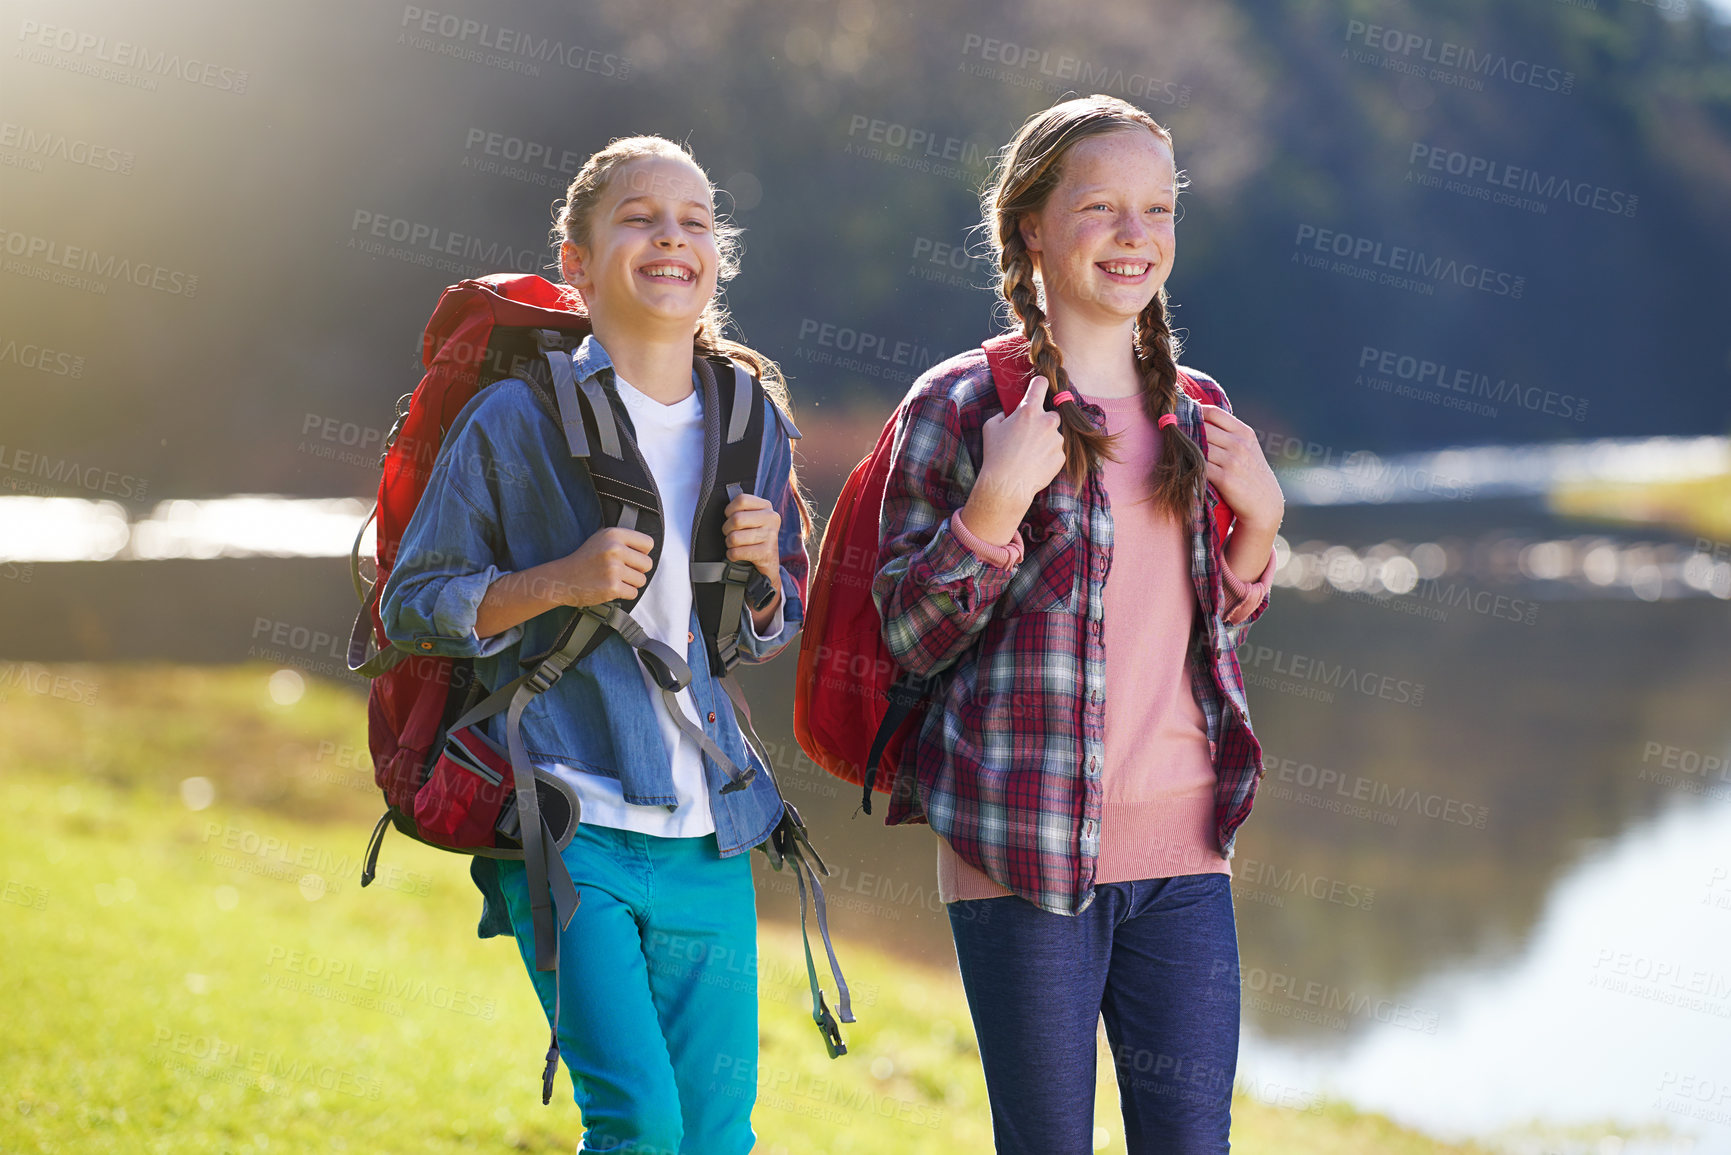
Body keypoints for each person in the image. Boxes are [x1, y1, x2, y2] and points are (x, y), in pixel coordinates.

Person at [872, 95, 1285, 1154]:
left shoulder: (1196, 406)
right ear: (1031, 229)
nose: (1136, 234)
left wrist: (1262, 524)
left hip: (1187, 850)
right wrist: (992, 510)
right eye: (1101, 206)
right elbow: (905, 636)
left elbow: (1203, 634)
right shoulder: (963, 404)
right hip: (1022, 846)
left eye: (1157, 207)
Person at [382, 135, 809, 1155]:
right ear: (573, 259)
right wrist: (556, 583)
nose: (673, 239)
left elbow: (762, 630)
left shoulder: (752, 416)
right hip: (564, 824)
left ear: (719, 255)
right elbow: (412, 604)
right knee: (641, 1127)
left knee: (715, 1137)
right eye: (640, 218)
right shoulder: (511, 420)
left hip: (714, 831)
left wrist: (762, 579)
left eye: (696, 222)